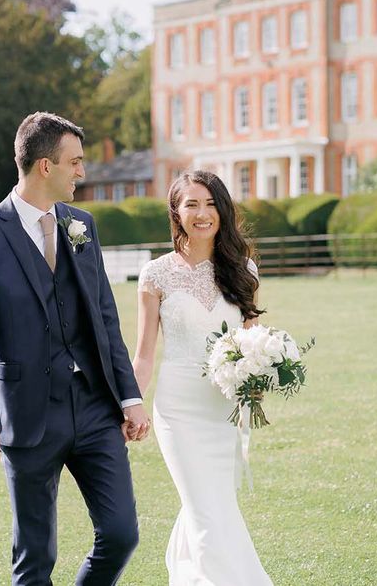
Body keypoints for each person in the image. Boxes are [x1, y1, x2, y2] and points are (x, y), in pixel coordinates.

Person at [0, 111, 150, 586]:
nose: (82, 172)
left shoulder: (82, 225)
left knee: (121, 534)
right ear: (45, 166)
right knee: (35, 558)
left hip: (96, 408)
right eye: (75, 162)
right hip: (28, 415)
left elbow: (104, 317)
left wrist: (130, 397)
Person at [133, 170, 273, 585]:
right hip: (178, 410)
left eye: (211, 203)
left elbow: (251, 341)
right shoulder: (155, 275)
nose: (202, 213)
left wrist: (258, 378)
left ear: (223, 209)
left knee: (211, 505)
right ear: (176, 212)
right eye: (191, 204)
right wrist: (130, 404)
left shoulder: (242, 268)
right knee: (207, 511)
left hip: (224, 408)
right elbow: (143, 355)